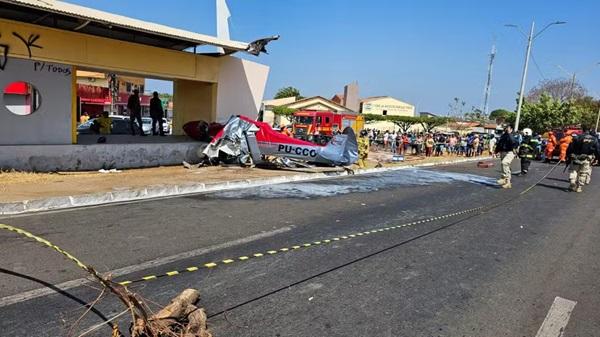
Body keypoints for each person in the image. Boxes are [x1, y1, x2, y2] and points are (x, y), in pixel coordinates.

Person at [566, 127, 600, 192]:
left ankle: (572, 182)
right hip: (586, 158)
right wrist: (597, 158)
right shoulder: (594, 139)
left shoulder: (577, 137)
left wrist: (568, 156)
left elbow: (570, 147)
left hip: (575, 157)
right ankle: (579, 187)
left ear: (582, 130)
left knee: (573, 170)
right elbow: (598, 150)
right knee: (583, 173)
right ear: (589, 130)